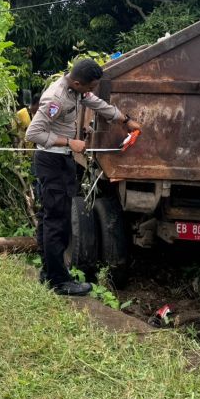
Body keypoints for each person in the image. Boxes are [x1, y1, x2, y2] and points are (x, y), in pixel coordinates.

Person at [26, 59, 142, 296]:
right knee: (56, 222)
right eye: (89, 87)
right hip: (52, 162)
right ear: (78, 82)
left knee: (51, 218)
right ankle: (59, 281)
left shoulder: (77, 91)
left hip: (62, 160)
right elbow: (33, 133)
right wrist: (70, 142)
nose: (90, 92)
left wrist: (125, 120)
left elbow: (97, 103)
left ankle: (49, 272)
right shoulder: (56, 99)